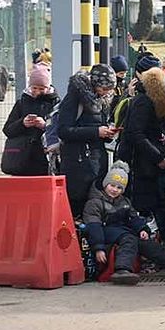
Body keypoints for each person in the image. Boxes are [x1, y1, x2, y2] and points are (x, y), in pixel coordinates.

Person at [82, 161, 165, 285]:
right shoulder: (94, 203)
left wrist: (142, 229)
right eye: (112, 185)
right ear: (105, 184)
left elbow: (133, 218)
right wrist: (98, 248)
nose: (115, 190)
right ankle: (122, 269)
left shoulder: (124, 201)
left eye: (119, 188)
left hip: (122, 231)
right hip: (104, 231)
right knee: (129, 238)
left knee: (146, 243)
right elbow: (93, 227)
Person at [117, 67, 165, 246]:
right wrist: (158, 157)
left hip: (142, 161)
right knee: (151, 203)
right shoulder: (145, 103)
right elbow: (137, 134)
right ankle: (157, 244)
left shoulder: (140, 100)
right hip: (143, 163)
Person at [59, 65, 118, 217]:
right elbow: (64, 131)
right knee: (78, 206)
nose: (107, 93)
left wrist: (107, 133)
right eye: (105, 88)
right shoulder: (74, 98)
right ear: (95, 84)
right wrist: (96, 132)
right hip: (78, 164)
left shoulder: (100, 100)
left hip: (95, 161)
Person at [2, 64, 60, 175]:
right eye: (34, 88)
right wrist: (22, 123)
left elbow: (61, 130)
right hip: (22, 159)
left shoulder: (56, 104)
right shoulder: (21, 103)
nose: (37, 91)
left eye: (41, 88)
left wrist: (45, 125)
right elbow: (7, 130)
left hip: (45, 159)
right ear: (30, 86)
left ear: (48, 88)